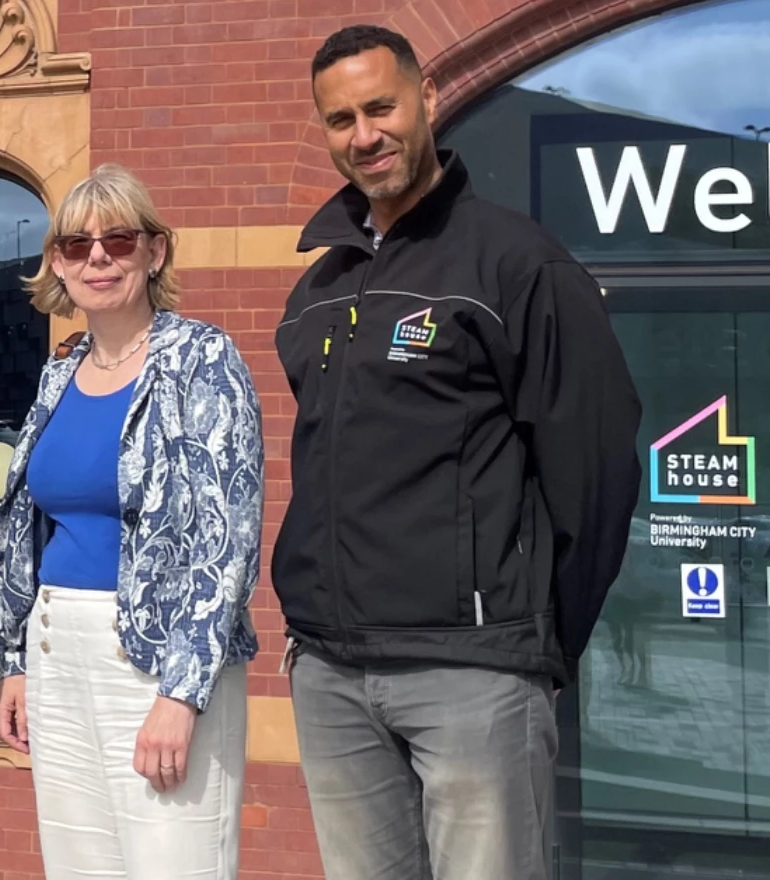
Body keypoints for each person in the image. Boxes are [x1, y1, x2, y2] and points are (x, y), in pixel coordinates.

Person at [273, 25, 642, 880]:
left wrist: (539, 642)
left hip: (471, 671)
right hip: (330, 670)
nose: (363, 135)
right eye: (339, 120)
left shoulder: (517, 263)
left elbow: (595, 469)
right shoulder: (317, 291)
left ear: (428, 100)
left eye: (380, 107)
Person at [0, 163, 265, 879]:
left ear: (155, 251)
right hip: (54, 652)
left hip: (156, 659)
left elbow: (223, 538)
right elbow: (31, 530)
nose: (97, 257)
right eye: (76, 245)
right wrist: (14, 660)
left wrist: (182, 692)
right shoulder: (59, 371)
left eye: (118, 239)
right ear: (57, 265)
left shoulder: (201, 358)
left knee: (175, 865)